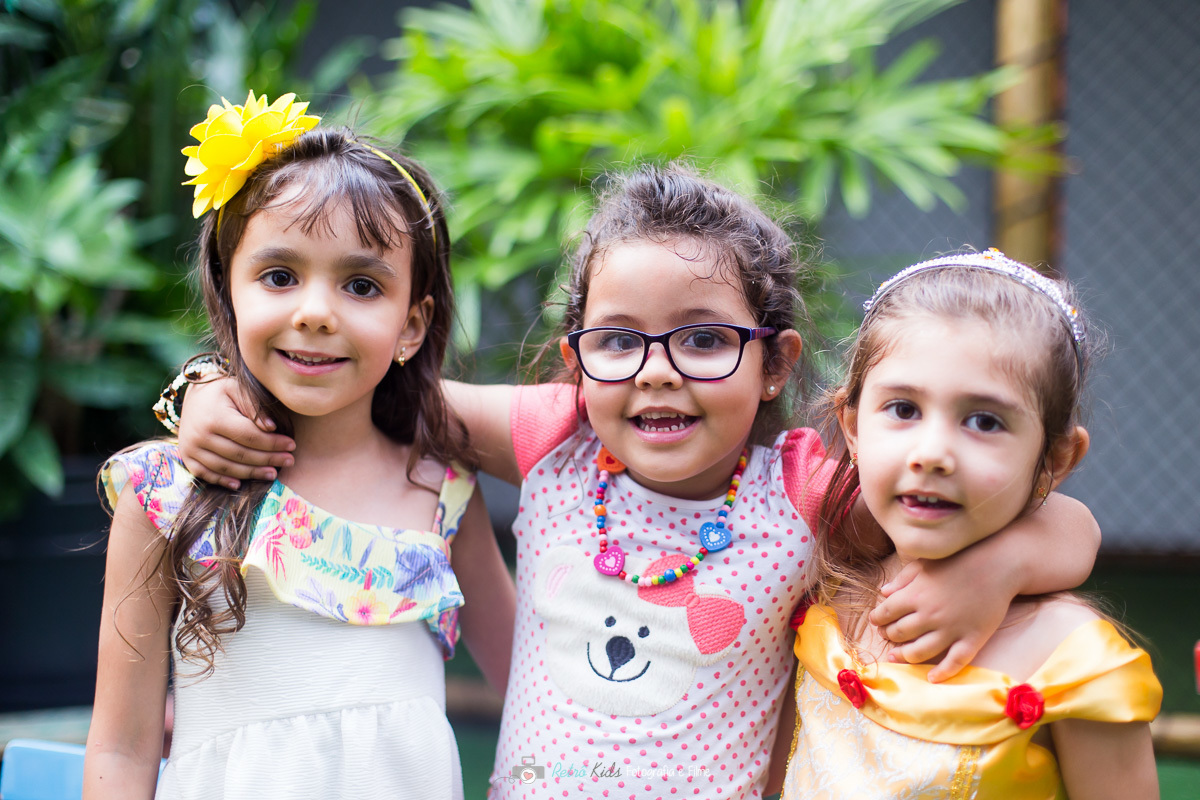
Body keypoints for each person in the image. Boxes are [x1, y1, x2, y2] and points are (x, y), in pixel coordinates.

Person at [169, 165, 1102, 799]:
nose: (657, 371)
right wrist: (207, 387)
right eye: (618, 340)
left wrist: (1002, 562)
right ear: (576, 362)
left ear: (774, 363)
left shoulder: (806, 487)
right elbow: (364, 379)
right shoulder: (556, 440)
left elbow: (1067, 526)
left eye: (703, 339)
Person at [82, 92, 514, 800]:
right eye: (280, 276)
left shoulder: (445, 492)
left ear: (412, 325)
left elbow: (537, 698)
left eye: (361, 284)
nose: (314, 312)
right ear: (230, 289)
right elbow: (122, 748)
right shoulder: (166, 493)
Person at [780, 250, 1161, 799]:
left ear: (1054, 460)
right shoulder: (828, 579)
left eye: (984, 421)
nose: (932, 453)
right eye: (904, 409)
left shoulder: (1071, 661)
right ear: (852, 427)